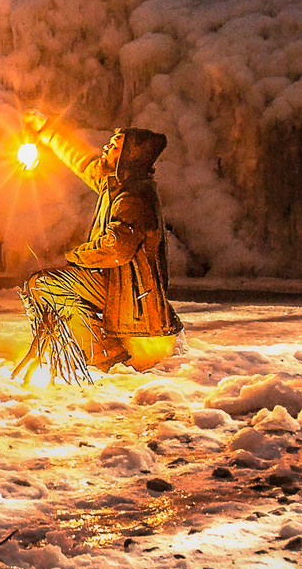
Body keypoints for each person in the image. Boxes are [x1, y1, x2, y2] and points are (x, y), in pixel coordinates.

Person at [12, 110, 183, 383]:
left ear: (129, 156)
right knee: (46, 286)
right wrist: (46, 130)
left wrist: (75, 255)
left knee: (43, 285)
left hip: (128, 294)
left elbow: (117, 249)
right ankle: (101, 349)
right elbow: (83, 161)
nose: (106, 147)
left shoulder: (133, 197)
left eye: (114, 146)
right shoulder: (115, 185)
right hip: (114, 284)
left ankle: (107, 354)